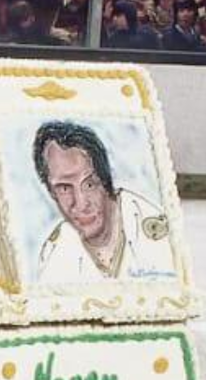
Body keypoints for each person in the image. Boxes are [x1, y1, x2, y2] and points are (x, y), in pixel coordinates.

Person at [32, 120, 171, 283]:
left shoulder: (152, 227)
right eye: (64, 188)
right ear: (51, 192)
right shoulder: (54, 253)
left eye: (90, 184)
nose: (81, 204)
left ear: (106, 182)